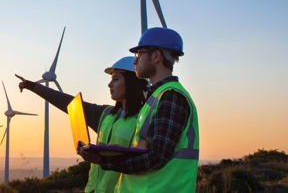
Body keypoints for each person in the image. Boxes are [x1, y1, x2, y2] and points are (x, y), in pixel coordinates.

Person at [79, 27, 199, 193]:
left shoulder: (171, 97)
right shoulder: (156, 97)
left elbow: (156, 157)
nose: (135, 61)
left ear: (156, 56)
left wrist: (104, 160)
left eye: (139, 54)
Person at [16, 56, 147, 193]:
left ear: (131, 83)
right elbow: (68, 103)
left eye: (115, 79)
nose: (109, 85)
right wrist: (33, 86)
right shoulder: (106, 114)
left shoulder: (144, 118)